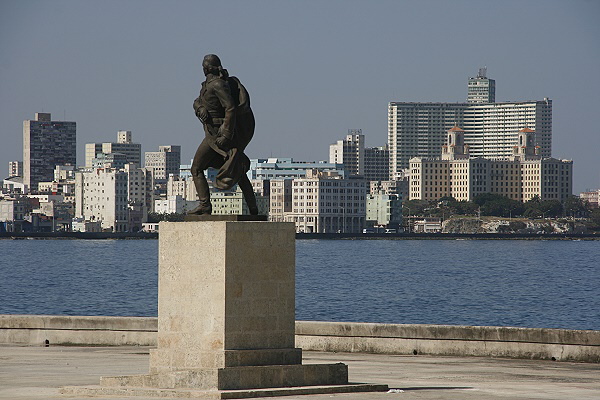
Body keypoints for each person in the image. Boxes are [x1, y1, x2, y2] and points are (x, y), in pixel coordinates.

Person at [188, 54, 258, 215]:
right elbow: (197, 100)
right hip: (212, 132)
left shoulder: (218, 84)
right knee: (238, 170)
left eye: (204, 66)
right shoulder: (207, 84)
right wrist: (200, 108)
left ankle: (205, 205)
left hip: (219, 134)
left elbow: (230, 108)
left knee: (197, 168)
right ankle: (253, 209)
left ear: (208, 68)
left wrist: (226, 134)